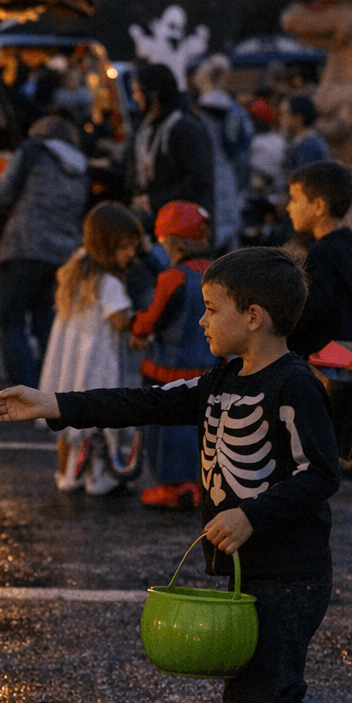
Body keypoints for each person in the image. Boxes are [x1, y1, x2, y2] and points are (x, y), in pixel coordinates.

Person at [0, 247, 341, 703]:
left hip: (292, 576)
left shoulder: (294, 385)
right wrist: (56, 404)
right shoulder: (220, 380)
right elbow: (146, 402)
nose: (200, 320)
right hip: (256, 576)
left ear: (253, 317)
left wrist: (252, 515)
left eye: (211, 308)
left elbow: (320, 472)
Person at [0, 113, 90, 388]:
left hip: (24, 247)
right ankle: (49, 390)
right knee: (47, 325)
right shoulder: (81, 165)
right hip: (64, 256)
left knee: (10, 322)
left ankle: (23, 390)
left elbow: (3, 194)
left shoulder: (32, 151)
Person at [41, 202, 143, 495]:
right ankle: (97, 477)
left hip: (70, 360)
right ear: (106, 246)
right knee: (99, 421)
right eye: (124, 248)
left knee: (67, 420)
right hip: (97, 362)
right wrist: (144, 325)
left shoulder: (78, 266)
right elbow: (121, 322)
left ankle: (67, 475)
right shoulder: (109, 282)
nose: (130, 255)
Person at [130, 200, 218, 509]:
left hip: (165, 368)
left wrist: (135, 327)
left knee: (163, 432)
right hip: (207, 369)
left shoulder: (172, 277)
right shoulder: (215, 272)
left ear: (168, 240)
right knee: (198, 432)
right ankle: (194, 486)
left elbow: (151, 319)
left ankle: (171, 487)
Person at [283, 161, 352, 359]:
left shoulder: (323, 253)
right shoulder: (345, 246)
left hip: (331, 363)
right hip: (349, 357)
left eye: (294, 199)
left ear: (318, 206)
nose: (288, 208)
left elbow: (314, 317)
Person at [133, 62, 215, 215]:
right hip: (158, 219)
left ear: (154, 94)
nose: (135, 97)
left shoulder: (185, 129)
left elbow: (196, 182)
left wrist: (154, 202)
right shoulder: (147, 130)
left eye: (138, 91)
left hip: (183, 224)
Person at [192, 55, 255, 253]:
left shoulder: (199, 113)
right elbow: (244, 149)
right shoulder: (236, 111)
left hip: (208, 177)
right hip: (230, 176)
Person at [279, 94, 331, 175]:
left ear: (298, 118)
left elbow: (303, 180)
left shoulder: (309, 146)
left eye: (284, 114)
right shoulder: (299, 140)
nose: (280, 118)